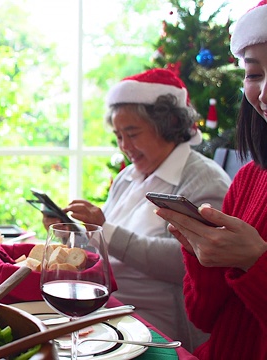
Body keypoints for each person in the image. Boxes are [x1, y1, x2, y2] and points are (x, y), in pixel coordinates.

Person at [42, 68, 231, 351]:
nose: (124, 146)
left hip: (159, 327)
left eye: (132, 134)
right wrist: (72, 235)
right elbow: (103, 253)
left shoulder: (203, 180)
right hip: (111, 312)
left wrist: (105, 230)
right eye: (118, 135)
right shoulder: (128, 176)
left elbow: (185, 263)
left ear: (168, 125)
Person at [154, 1, 267, 358]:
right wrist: (201, 251)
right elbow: (204, 317)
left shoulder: (203, 175)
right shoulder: (249, 179)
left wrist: (256, 261)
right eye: (253, 74)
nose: (263, 93)